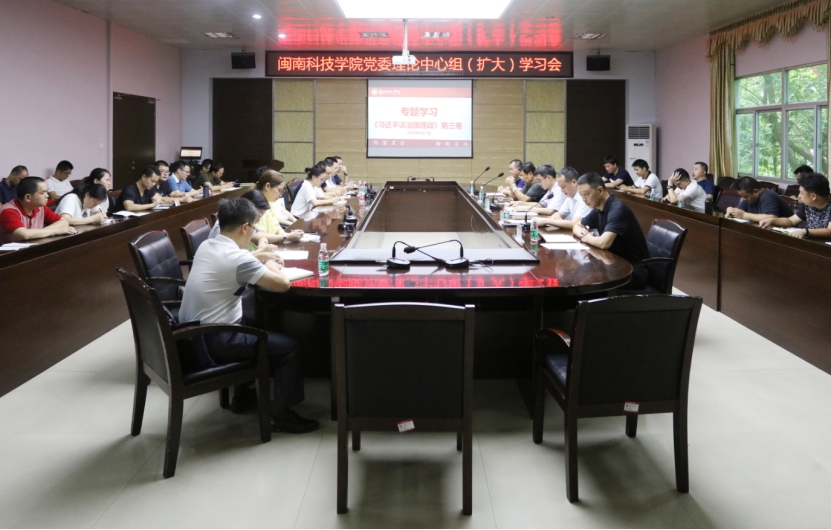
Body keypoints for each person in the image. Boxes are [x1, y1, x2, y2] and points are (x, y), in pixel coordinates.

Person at [179, 198, 319, 433]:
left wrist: (260, 256)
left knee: (261, 322)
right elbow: (283, 284)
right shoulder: (239, 259)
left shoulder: (208, 245)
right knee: (290, 347)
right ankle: (281, 414)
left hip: (194, 333)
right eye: (254, 227)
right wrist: (270, 261)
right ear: (245, 227)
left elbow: (233, 263)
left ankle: (242, 395)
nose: (254, 232)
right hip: (215, 340)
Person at [573, 172, 649, 290]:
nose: (583, 199)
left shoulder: (617, 209)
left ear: (600, 190)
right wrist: (584, 234)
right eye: (581, 195)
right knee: (578, 274)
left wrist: (586, 237)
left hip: (633, 270)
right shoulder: (598, 209)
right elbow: (576, 226)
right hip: (614, 263)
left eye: (586, 194)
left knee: (587, 284)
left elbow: (604, 243)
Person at [0, 177, 77, 240]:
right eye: (42, 193)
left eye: (47, 192)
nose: (47, 196)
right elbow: (25, 234)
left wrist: (41, 232)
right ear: (28, 197)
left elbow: (63, 221)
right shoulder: (8, 211)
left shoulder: (41, 208)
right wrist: (56, 231)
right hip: (9, 253)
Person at [759, 173, 831, 238]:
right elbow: (791, 221)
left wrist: (806, 231)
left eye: (801, 193)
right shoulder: (808, 205)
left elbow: (829, 231)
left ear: (813, 196)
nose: (799, 196)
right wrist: (771, 220)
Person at [725, 176, 793, 222]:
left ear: (756, 192)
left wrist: (744, 215)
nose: (744, 199)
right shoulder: (748, 199)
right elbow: (740, 211)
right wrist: (731, 210)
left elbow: (772, 218)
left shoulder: (768, 196)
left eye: (745, 196)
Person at [257, 170, 302, 235]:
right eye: (279, 190)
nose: (280, 195)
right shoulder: (257, 205)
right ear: (267, 186)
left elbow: (277, 225)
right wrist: (285, 237)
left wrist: (284, 235)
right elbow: (259, 235)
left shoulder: (270, 202)